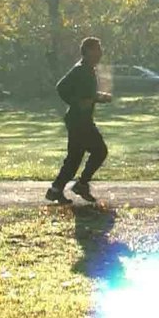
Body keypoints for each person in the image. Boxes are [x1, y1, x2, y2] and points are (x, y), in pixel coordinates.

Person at [47, 37, 112, 204]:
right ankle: (81, 184)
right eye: (97, 48)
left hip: (80, 120)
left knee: (74, 158)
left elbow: (86, 95)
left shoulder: (89, 69)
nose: (100, 52)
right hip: (79, 121)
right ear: (88, 51)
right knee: (100, 151)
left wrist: (99, 98)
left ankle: (56, 190)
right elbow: (61, 87)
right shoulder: (81, 69)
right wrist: (76, 102)